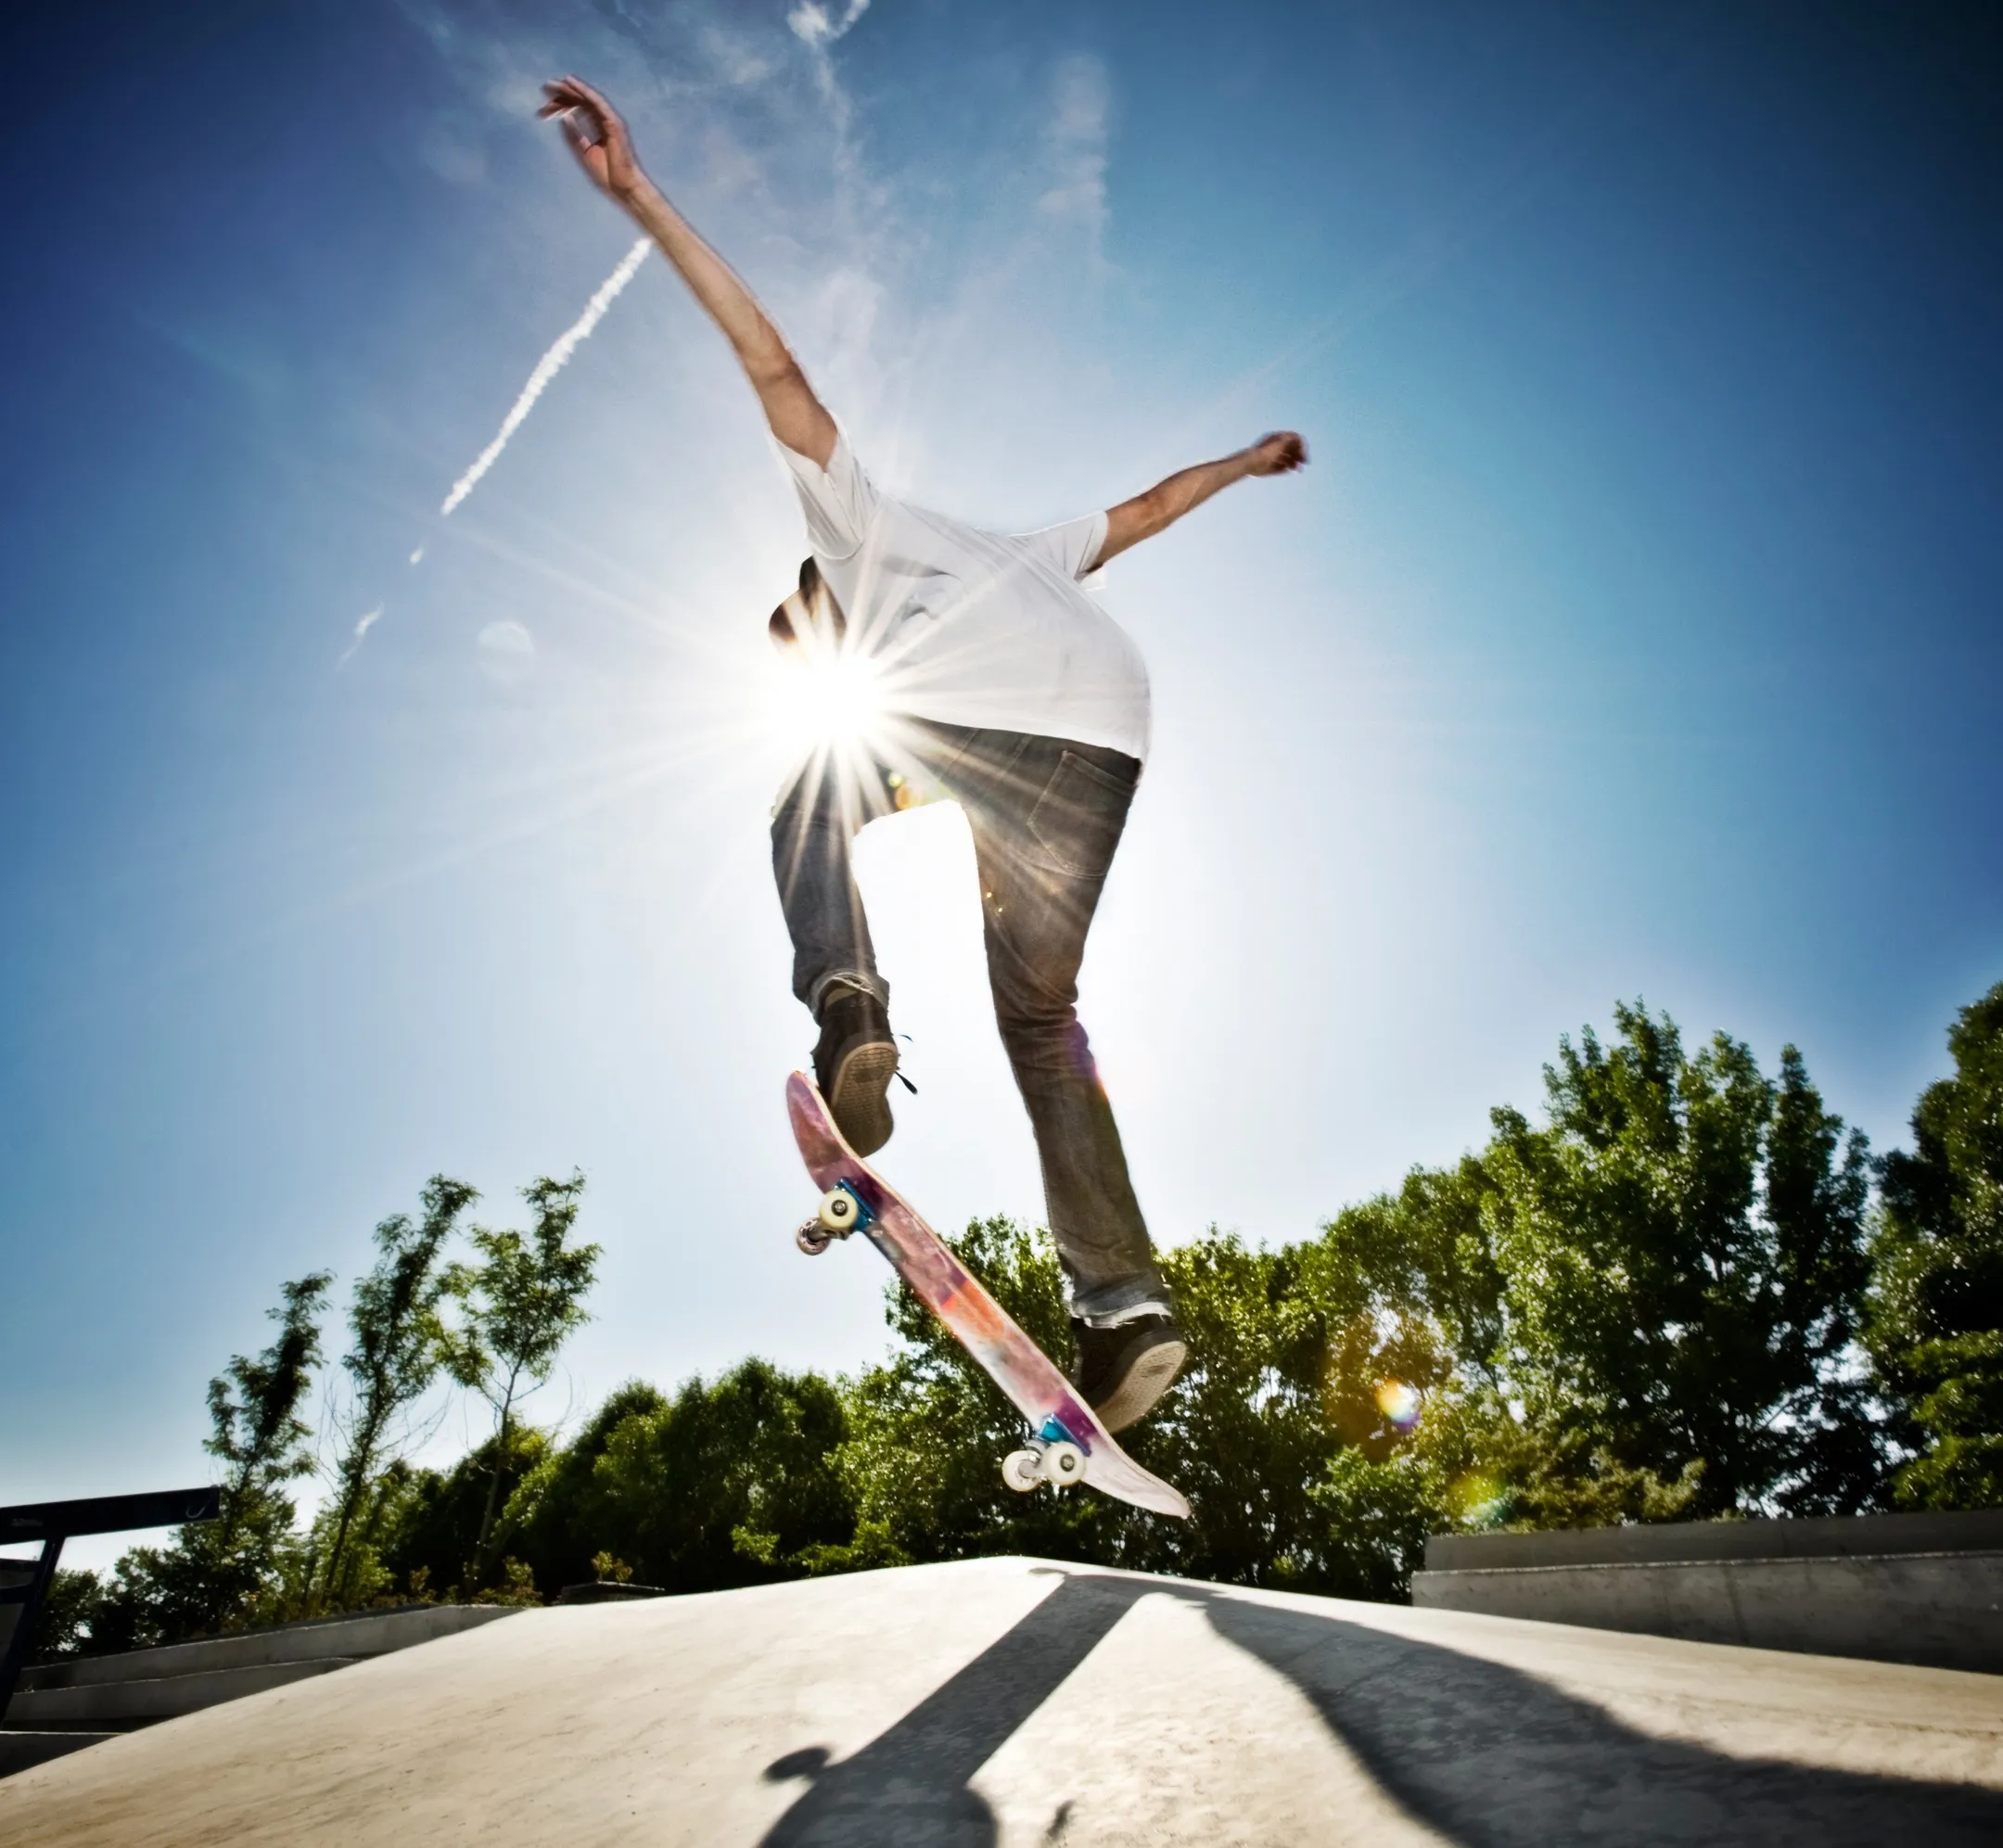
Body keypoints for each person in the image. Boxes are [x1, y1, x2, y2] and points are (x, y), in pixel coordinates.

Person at [542, 76, 1306, 1433]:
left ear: (816, 608)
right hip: (1105, 745)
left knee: (807, 791)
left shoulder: (852, 533)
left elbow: (774, 368)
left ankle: (851, 1005)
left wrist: (640, 195)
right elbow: (1147, 510)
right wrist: (1247, 460)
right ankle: (1124, 1308)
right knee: (1042, 1021)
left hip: (1012, 728)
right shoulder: (1027, 548)